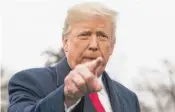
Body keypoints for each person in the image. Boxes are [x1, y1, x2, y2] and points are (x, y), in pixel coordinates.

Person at [8, 2, 140, 112]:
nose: (93, 45)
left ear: (112, 46)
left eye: (102, 36)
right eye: (84, 34)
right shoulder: (29, 82)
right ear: (65, 42)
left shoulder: (128, 98)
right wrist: (66, 97)